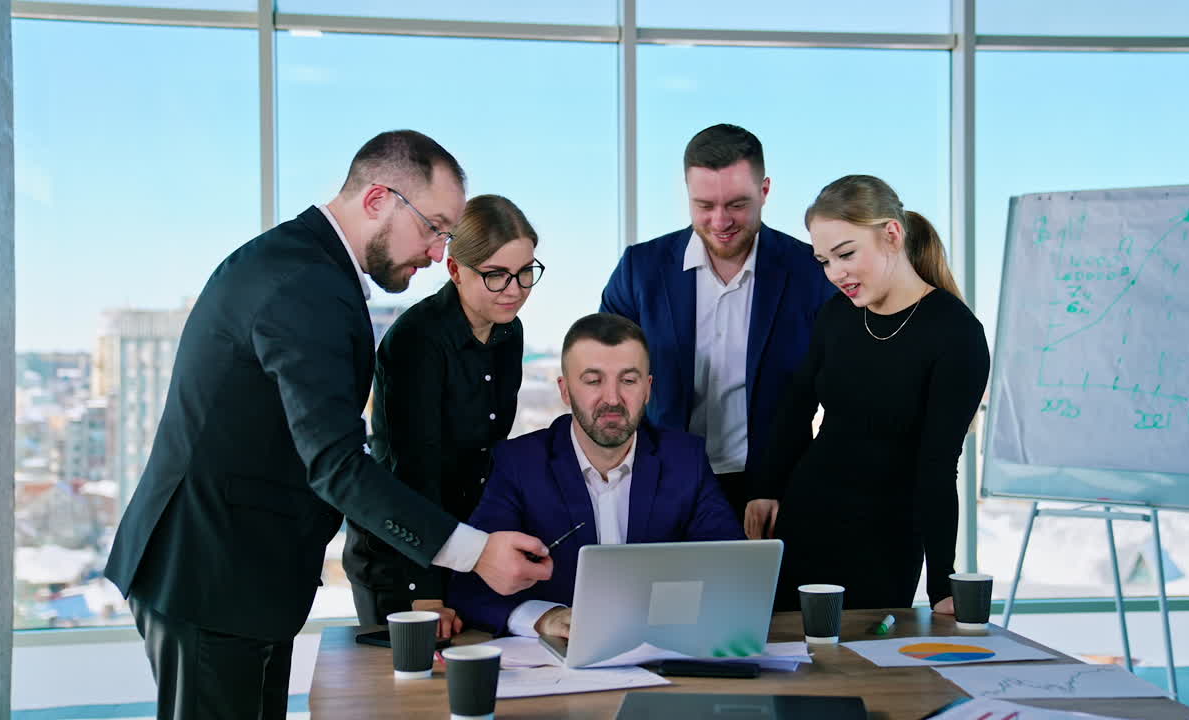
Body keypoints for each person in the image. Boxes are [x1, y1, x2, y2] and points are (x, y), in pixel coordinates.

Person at [103, 131, 553, 719]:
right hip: (211, 573)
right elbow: (337, 463)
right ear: (378, 200)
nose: (437, 252)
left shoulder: (308, 268)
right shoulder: (306, 284)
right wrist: (473, 553)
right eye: (434, 228)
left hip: (242, 575)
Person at [748, 174, 989, 613]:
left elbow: (937, 467)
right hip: (805, 518)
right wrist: (767, 488)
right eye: (824, 261)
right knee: (785, 649)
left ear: (891, 235)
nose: (835, 273)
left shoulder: (956, 334)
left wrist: (942, 585)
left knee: (862, 654)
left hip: (885, 540)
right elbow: (797, 405)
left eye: (845, 254)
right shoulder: (836, 314)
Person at [447, 313, 744, 638]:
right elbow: (470, 586)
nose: (612, 399)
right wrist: (544, 618)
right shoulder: (518, 464)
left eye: (628, 380)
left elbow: (734, 574)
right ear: (565, 390)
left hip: (665, 651)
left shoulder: (686, 460)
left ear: (647, 389)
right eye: (593, 381)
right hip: (558, 663)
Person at [600, 123, 835, 524]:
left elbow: (842, 398)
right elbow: (604, 377)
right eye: (704, 205)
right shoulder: (639, 270)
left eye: (737, 205)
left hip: (777, 492)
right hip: (661, 486)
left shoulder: (811, 273)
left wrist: (791, 484)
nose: (720, 221)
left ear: (765, 191)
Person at [343, 194, 545, 637]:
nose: (514, 290)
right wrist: (426, 594)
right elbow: (414, 474)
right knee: (410, 679)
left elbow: (489, 453)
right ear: (455, 270)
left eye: (525, 272)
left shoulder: (509, 331)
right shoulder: (417, 339)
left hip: (466, 547)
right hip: (403, 557)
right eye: (495, 275)